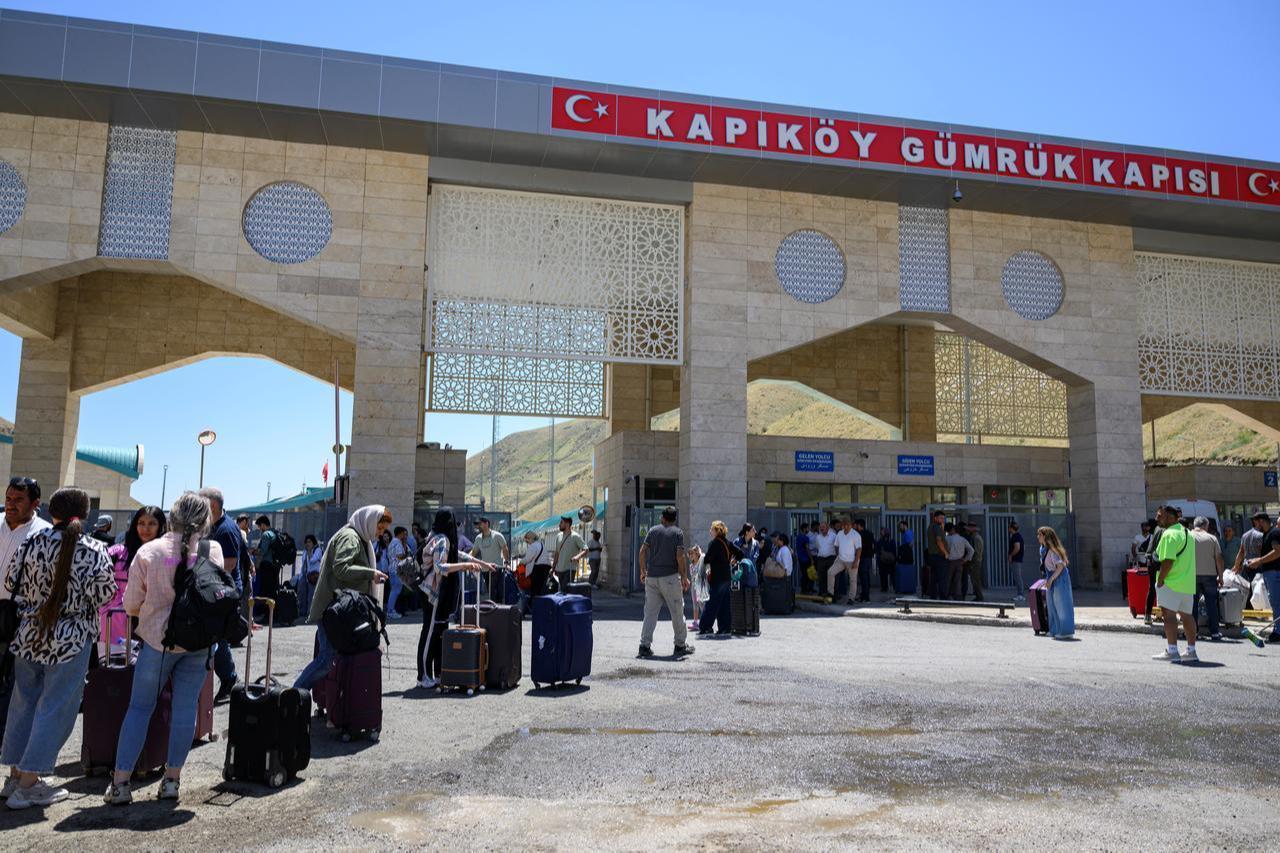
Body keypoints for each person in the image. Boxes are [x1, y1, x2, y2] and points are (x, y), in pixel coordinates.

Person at [104, 492, 227, 805]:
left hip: (157, 643)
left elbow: (130, 604)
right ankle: (171, 781)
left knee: (140, 708)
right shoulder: (211, 549)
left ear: (172, 516)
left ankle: (120, 784)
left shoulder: (150, 550)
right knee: (185, 710)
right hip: (199, 643)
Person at [1, 487, 114, 810]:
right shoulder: (93, 549)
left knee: (22, 704)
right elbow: (105, 593)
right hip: (72, 636)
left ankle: (15, 776)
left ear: (53, 512)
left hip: (29, 632)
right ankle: (30, 784)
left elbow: (11, 582)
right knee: (56, 708)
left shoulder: (32, 542)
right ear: (85, 513)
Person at [292, 506, 391, 692]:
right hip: (334, 611)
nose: (380, 533)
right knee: (326, 659)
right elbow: (341, 568)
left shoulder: (357, 537)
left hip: (339, 611)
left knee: (333, 657)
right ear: (369, 522)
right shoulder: (351, 538)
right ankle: (294, 694)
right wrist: (371, 574)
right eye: (379, 528)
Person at [0, 477, 51, 754]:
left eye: (18, 500)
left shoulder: (43, 534)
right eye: (9, 498)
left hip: (22, 617)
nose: (11, 504)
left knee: (16, 684)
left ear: (35, 504)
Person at [416, 508, 493, 689]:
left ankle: (436, 674)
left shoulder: (439, 537)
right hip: (432, 593)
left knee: (438, 632)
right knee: (429, 634)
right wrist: (466, 566)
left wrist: (482, 564)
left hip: (437, 593)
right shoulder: (441, 539)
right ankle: (423, 676)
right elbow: (440, 567)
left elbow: (457, 554)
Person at [102, 506, 166, 659]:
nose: (145, 528)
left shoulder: (168, 557)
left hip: (153, 625)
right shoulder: (117, 552)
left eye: (152, 523)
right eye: (141, 523)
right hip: (115, 625)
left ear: (161, 526)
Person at [198, 488, 242, 700]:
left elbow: (230, 565)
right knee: (217, 636)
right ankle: (229, 676)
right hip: (214, 589)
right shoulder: (212, 526)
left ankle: (229, 677)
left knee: (216, 635)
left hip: (222, 591)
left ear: (212, 506)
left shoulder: (226, 530)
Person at [637, 506, 693, 658]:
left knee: (650, 613)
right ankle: (680, 645)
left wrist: (643, 571)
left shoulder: (653, 531)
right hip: (670, 578)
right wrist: (684, 576)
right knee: (677, 612)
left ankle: (644, 646)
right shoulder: (677, 533)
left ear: (662, 517)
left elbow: (642, 551)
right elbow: (680, 556)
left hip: (652, 577)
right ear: (674, 519)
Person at [1151, 505, 1199, 663]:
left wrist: (1160, 580)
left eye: (1160, 515)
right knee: (1187, 616)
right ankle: (1191, 651)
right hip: (1187, 583)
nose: (1157, 519)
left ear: (1170, 516)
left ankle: (1172, 650)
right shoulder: (1187, 533)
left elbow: (1168, 561)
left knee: (1169, 615)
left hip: (1170, 582)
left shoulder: (1169, 534)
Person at [698, 520, 742, 637]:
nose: (710, 531)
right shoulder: (728, 543)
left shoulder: (714, 543)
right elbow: (740, 553)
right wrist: (733, 561)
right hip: (727, 577)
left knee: (711, 604)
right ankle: (725, 628)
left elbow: (707, 559)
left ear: (717, 531)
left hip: (717, 578)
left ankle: (706, 627)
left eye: (712, 529)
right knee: (724, 604)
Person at [1243, 512, 1280, 644]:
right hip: (1271, 573)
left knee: (1276, 603)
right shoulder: (1267, 534)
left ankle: (1278, 631)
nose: (1254, 525)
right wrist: (1257, 560)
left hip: (1274, 573)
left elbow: (1277, 551)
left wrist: (1259, 561)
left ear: (1262, 521)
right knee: (1275, 602)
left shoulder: (1274, 533)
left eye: (1255, 522)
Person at [1189, 516, 1224, 641]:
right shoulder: (1212, 538)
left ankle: (1194, 632)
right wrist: (1220, 576)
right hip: (1210, 575)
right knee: (1211, 605)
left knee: (1192, 605)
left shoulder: (1188, 536)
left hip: (1191, 575)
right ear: (1206, 525)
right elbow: (1218, 559)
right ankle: (1214, 632)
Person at [1039, 526, 1075, 639]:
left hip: (1059, 577)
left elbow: (1060, 567)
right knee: (1051, 605)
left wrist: (1050, 580)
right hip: (1052, 576)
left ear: (1045, 536)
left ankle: (1066, 632)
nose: (1038, 537)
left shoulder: (1053, 550)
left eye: (1040, 534)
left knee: (1062, 604)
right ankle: (1054, 630)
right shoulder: (1042, 549)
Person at [251, 516, 282, 620]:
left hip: (267, 566)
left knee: (266, 592)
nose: (260, 529)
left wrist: (254, 551)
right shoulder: (274, 533)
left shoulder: (266, 534)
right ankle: (275, 615)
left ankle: (267, 616)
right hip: (275, 566)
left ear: (263, 525)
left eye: (260, 526)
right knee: (273, 591)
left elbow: (263, 551)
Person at [471, 517, 509, 599]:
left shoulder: (497, 535)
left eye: (479, 524)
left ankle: (497, 609)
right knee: (491, 591)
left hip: (496, 569)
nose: (478, 526)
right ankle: (495, 608)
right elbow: (474, 552)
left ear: (486, 524)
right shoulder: (478, 538)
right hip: (485, 570)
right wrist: (466, 558)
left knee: (496, 592)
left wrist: (506, 562)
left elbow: (505, 548)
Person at [826, 516, 861, 605]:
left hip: (852, 560)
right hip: (841, 560)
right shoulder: (839, 534)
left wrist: (856, 561)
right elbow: (836, 545)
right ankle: (830, 593)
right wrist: (838, 555)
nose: (845, 526)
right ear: (842, 525)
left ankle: (851, 598)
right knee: (830, 572)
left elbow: (859, 549)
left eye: (847, 525)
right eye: (844, 525)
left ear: (851, 525)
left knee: (852, 580)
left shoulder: (856, 535)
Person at [943, 523, 973, 601]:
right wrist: (965, 559)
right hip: (960, 562)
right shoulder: (962, 539)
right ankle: (958, 596)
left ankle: (946, 595)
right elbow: (971, 550)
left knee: (948, 579)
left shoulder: (946, 539)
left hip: (949, 562)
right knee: (958, 580)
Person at [297, 533, 322, 619]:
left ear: (313, 542)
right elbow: (304, 563)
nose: (307, 544)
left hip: (313, 577)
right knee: (302, 594)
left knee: (311, 595)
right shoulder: (305, 551)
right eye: (306, 542)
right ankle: (302, 612)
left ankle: (310, 613)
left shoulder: (317, 550)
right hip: (305, 576)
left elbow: (312, 560)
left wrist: (309, 552)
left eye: (309, 542)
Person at [810, 521, 837, 597]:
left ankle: (832, 595)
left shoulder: (834, 536)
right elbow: (819, 547)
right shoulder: (818, 537)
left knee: (831, 577)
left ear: (827, 528)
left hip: (831, 558)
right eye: (820, 527)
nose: (821, 528)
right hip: (821, 559)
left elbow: (837, 547)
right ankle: (822, 593)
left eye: (823, 527)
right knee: (821, 577)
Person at [927, 510, 947, 599]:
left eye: (944, 518)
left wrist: (942, 529)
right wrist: (945, 553)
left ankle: (933, 596)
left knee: (934, 578)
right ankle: (943, 597)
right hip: (939, 556)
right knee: (942, 578)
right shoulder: (936, 527)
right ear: (935, 518)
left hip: (932, 556)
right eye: (941, 518)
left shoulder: (930, 527)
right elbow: (939, 541)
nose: (943, 520)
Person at [853, 519, 874, 602]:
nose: (855, 527)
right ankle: (864, 595)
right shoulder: (870, 533)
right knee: (866, 578)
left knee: (863, 578)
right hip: (868, 558)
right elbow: (873, 545)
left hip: (862, 558)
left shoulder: (859, 535)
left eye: (856, 525)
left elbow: (858, 547)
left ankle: (865, 597)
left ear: (859, 525)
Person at [964, 520, 985, 602]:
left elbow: (975, 552)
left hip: (975, 562)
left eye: (969, 529)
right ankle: (978, 596)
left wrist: (971, 562)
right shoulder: (977, 537)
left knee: (975, 580)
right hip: (977, 561)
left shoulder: (975, 538)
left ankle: (979, 597)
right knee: (975, 580)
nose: (967, 530)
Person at [1007, 521, 1026, 602]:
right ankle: (1020, 594)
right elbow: (1023, 547)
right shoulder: (1018, 536)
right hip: (1017, 559)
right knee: (1017, 577)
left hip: (1016, 560)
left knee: (1018, 577)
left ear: (1011, 528)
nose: (1008, 529)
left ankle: (1021, 595)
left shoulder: (1016, 536)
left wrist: (1011, 555)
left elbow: (1017, 547)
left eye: (1009, 527)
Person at [875, 527, 895, 594]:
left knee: (883, 574)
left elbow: (877, 549)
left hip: (883, 560)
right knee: (891, 574)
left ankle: (884, 587)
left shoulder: (880, 541)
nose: (882, 533)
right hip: (890, 560)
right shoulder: (891, 540)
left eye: (883, 531)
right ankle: (894, 587)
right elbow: (894, 550)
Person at [794, 523, 812, 594]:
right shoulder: (805, 538)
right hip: (806, 559)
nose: (808, 529)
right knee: (806, 575)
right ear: (804, 529)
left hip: (800, 558)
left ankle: (804, 589)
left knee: (804, 574)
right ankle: (805, 590)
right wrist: (811, 559)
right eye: (807, 528)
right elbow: (807, 549)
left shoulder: (798, 537)